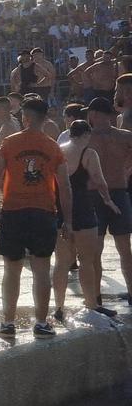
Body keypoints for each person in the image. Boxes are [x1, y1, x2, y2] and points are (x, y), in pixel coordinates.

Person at [0, 97, 72, 339]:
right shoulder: (53, 146)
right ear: (44, 118)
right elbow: (65, 186)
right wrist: (68, 220)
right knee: (41, 269)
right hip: (43, 212)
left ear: (25, 118)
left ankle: (8, 323)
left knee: (12, 270)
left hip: (14, 211)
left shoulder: (10, 142)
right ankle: (41, 323)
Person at [51, 120, 120, 322]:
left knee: (61, 263)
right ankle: (91, 303)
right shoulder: (88, 153)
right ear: (86, 135)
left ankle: (59, 307)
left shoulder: (57, 150)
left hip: (60, 208)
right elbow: (99, 180)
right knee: (86, 260)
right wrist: (108, 200)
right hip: (82, 208)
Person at [85, 97, 132, 310]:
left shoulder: (86, 138)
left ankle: (96, 297)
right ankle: (130, 292)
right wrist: (126, 170)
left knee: (96, 250)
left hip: (95, 194)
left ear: (93, 114)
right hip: (118, 192)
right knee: (124, 248)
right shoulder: (124, 136)